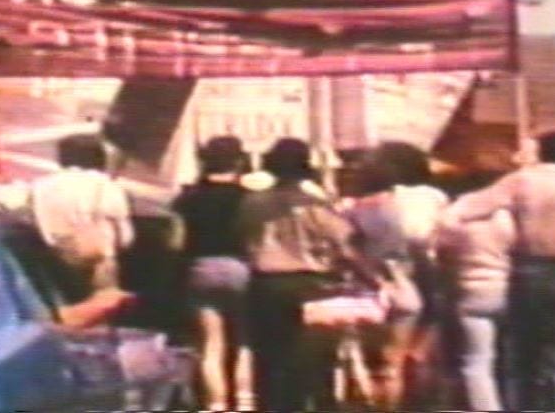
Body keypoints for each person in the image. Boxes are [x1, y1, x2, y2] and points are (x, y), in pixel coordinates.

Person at [442, 130, 555, 411]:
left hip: (529, 273)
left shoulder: (521, 181)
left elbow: (464, 209)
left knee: (528, 354)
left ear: (541, 151)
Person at [238, 138, 380, 411]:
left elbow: (244, 239)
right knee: (313, 361)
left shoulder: (252, 203)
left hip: (265, 284)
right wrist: (372, 279)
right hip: (310, 285)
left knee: (269, 358)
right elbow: (344, 246)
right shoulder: (316, 205)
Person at [340, 142, 449, 410]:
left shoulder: (352, 209)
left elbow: (344, 248)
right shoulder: (428, 200)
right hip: (410, 287)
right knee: (395, 364)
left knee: (369, 365)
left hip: (369, 293)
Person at [172, 136, 253, 411]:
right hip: (241, 269)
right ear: (238, 161)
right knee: (243, 341)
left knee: (211, 343)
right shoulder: (247, 198)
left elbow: (176, 241)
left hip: (202, 269)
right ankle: (244, 400)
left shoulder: (188, 198)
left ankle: (216, 403)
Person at [30, 134, 134, 301]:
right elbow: (123, 233)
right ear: (99, 158)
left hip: (54, 257)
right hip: (96, 259)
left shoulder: (40, 185)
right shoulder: (104, 184)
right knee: (102, 305)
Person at [436, 199, 516, 411]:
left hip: (471, 293)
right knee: (511, 358)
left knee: (476, 362)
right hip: (507, 290)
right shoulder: (507, 221)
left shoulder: (455, 223)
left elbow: (442, 257)